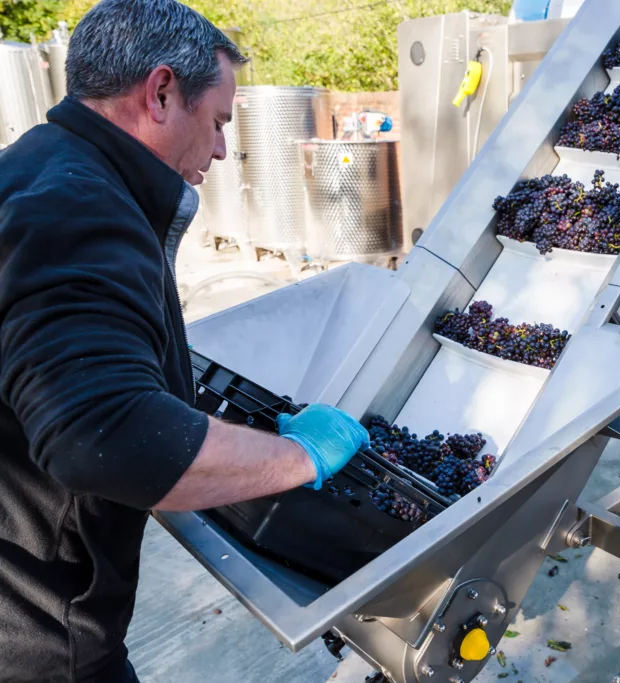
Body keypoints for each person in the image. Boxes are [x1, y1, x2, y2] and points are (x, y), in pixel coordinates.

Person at [0, 1, 369, 681]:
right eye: (220, 121)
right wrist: (297, 455)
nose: (224, 149)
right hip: (36, 641)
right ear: (162, 92)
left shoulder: (35, 164)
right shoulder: (79, 211)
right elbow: (103, 434)